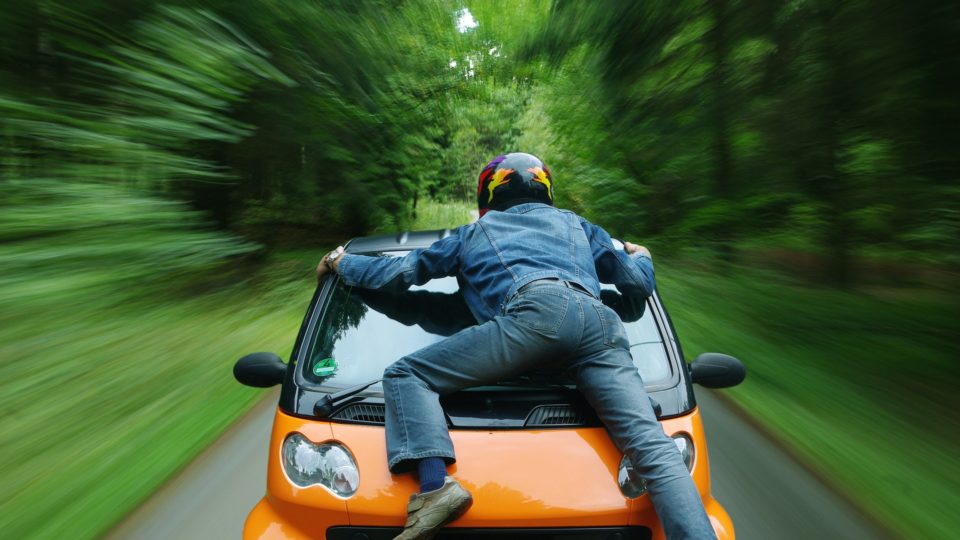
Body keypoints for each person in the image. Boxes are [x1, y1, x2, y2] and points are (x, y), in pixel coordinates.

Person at [315, 153, 717, 540]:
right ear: (546, 192)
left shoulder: (475, 233)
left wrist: (341, 263)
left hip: (536, 315)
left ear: (488, 198)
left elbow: (403, 274)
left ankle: (436, 486)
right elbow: (636, 285)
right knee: (655, 452)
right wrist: (644, 258)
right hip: (601, 326)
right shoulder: (578, 226)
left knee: (407, 373)